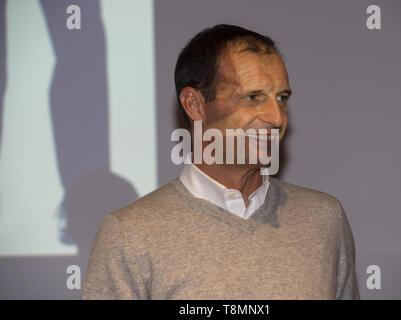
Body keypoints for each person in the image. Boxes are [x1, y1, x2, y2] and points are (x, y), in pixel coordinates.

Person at [81, 24, 360, 300]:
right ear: (195, 105)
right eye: (253, 97)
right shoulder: (129, 233)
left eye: (282, 98)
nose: (277, 118)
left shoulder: (324, 219)